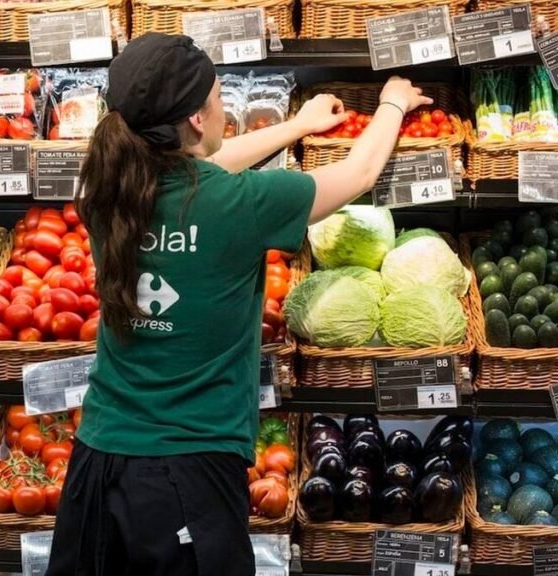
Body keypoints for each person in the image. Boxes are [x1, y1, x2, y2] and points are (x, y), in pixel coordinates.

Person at [46, 32, 432, 575]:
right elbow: (359, 174)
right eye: (218, 96)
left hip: (96, 460)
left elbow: (207, 166)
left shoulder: (105, 188)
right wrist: (392, 100)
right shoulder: (242, 204)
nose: (224, 107)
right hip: (189, 473)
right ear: (197, 120)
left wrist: (297, 126)